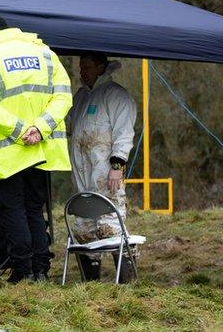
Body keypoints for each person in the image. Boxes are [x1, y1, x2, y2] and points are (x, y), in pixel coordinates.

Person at [0, 15, 73, 282]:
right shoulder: (44, 52)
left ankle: (22, 272)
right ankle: (41, 270)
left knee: (12, 210)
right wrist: (41, 128)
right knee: (34, 210)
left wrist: (20, 130)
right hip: (40, 150)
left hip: (5, 152)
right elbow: (63, 95)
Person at [66, 52, 137, 282]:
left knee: (111, 225)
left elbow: (124, 132)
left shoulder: (115, 95)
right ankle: (91, 284)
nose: (81, 71)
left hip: (106, 176)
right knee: (84, 229)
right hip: (82, 176)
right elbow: (69, 127)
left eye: (86, 65)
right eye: (80, 66)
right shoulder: (80, 98)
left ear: (100, 67)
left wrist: (117, 164)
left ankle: (126, 283)